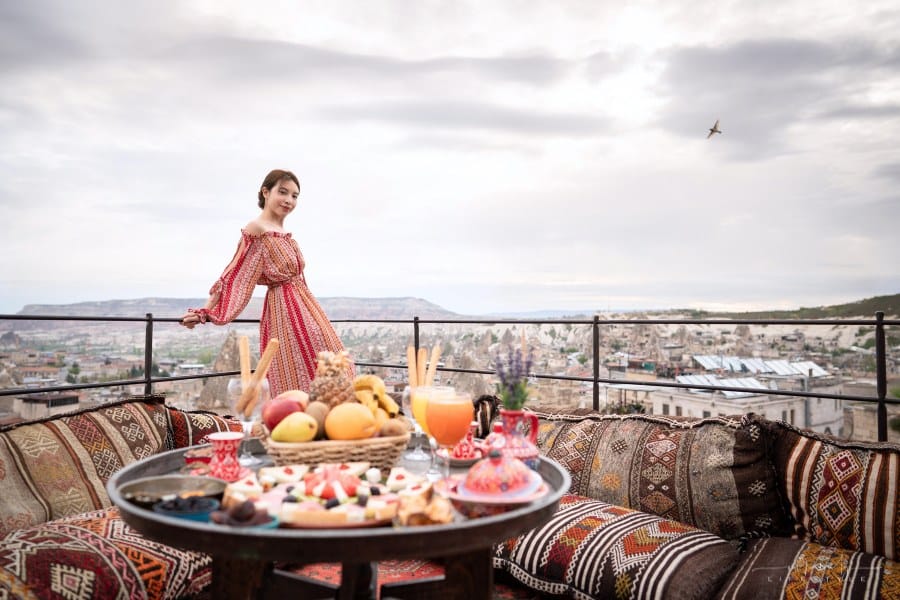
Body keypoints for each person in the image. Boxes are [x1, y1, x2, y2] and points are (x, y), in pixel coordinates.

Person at [180, 168, 352, 397]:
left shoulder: (283, 232)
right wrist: (205, 312)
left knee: (334, 364)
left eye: (294, 195)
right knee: (296, 370)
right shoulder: (257, 229)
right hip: (285, 312)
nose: (289, 200)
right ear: (265, 192)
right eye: (283, 192)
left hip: (306, 308)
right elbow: (234, 274)